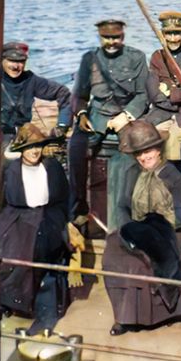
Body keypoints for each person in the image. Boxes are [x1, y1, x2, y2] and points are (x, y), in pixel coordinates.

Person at [102, 120, 181, 336]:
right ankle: (123, 317)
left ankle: (158, 315)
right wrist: (129, 230)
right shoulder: (132, 173)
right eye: (139, 153)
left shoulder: (172, 175)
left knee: (143, 261)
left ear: (158, 149)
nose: (144, 157)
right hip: (136, 230)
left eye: (148, 151)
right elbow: (122, 206)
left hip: (168, 232)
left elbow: (180, 214)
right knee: (113, 255)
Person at [0, 124, 81, 334]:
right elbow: (1, 202)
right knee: (10, 251)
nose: (34, 151)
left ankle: (42, 308)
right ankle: (11, 301)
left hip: (48, 215)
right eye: (29, 147)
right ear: (21, 150)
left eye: (38, 146)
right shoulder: (10, 170)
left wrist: (68, 221)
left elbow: (65, 196)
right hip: (17, 216)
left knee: (39, 248)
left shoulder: (52, 167)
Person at [68, 20, 149, 225]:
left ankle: (125, 213)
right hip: (97, 114)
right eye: (106, 38)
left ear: (123, 36)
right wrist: (82, 114)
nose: (111, 42)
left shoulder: (136, 57)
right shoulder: (89, 58)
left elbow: (143, 94)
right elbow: (79, 94)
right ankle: (79, 207)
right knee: (76, 148)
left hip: (125, 115)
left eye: (116, 37)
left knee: (130, 154)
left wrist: (127, 115)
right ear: (100, 37)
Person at [142, 10, 181, 166]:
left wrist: (170, 92)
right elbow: (154, 93)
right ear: (162, 33)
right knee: (143, 138)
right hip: (161, 114)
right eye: (168, 34)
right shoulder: (157, 57)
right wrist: (180, 97)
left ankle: (172, 177)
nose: (172, 38)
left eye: (177, 33)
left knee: (173, 142)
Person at [0, 40, 72, 147]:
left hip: (21, 135)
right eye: (11, 60)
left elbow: (63, 92)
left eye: (21, 61)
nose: (16, 66)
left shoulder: (30, 80)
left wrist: (62, 125)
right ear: (1, 60)